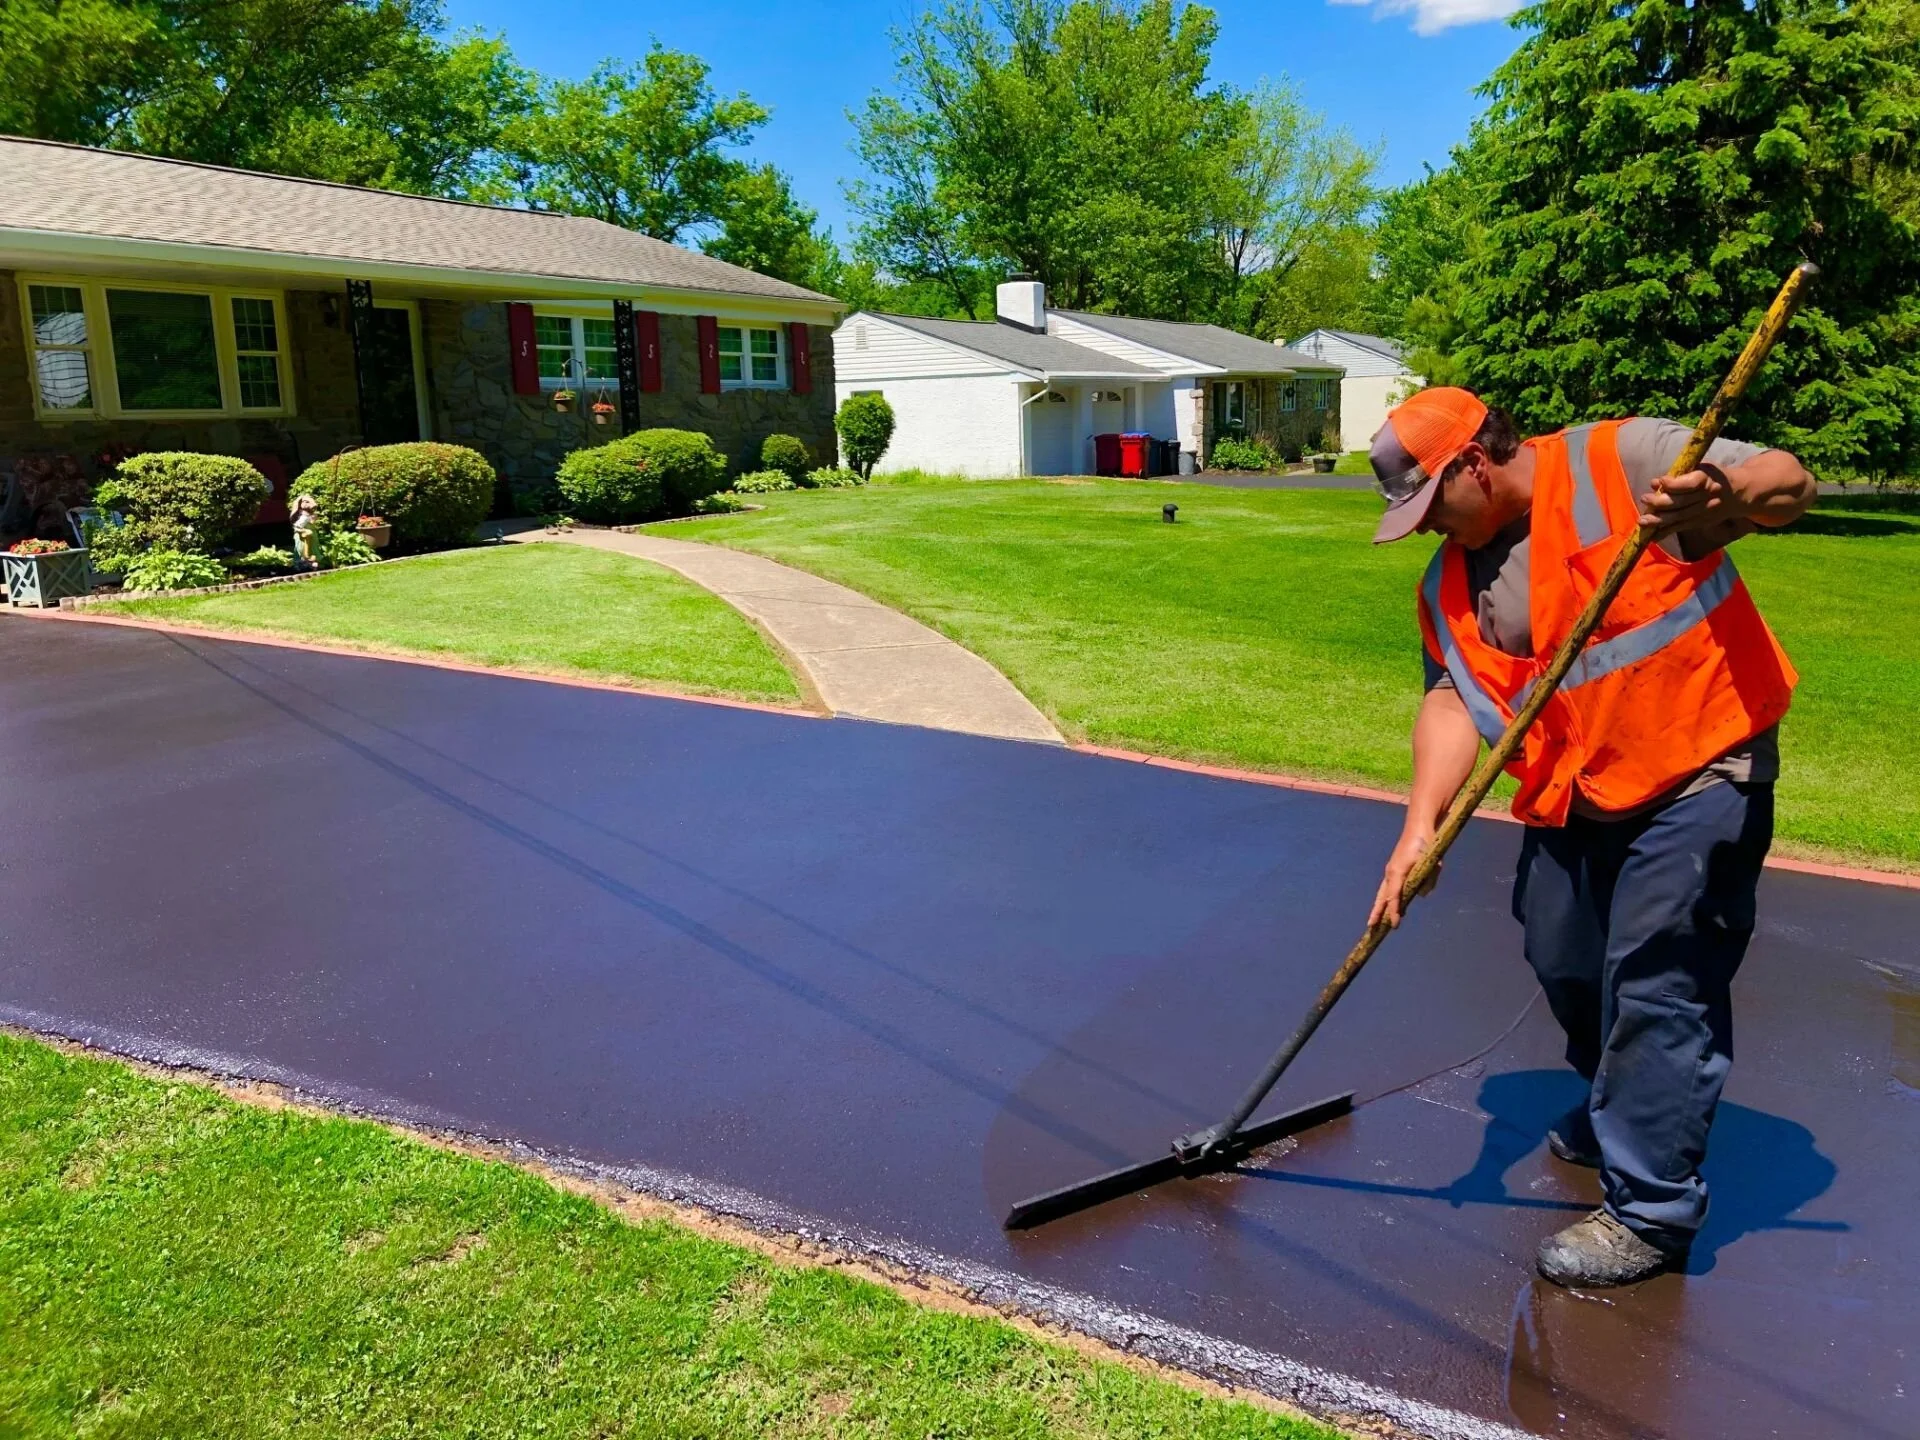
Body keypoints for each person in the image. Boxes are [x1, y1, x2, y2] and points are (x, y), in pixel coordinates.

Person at [1365, 387, 1815, 1287]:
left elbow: (1791, 481)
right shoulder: (1449, 579)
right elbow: (1452, 695)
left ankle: (1650, 1209)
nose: (1422, 530)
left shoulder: (1628, 461)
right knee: (1562, 952)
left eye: (1428, 505)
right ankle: (1628, 1099)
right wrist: (1419, 832)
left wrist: (1721, 494)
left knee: (1656, 978)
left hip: (1698, 768)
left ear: (1473, 463)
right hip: (1577, 788)